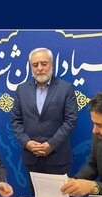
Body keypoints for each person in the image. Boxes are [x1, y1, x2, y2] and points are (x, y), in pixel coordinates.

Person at [11, 47, 78, 181]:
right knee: (35, 195)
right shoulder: (21, 89)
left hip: (58, 158)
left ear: (51, 64)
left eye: (44, 63)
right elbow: (16, 121)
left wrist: (51, 145)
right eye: (35, 65)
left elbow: (70, 121)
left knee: (60, 195)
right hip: (32, 159)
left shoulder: (66, 88)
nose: (39, 68)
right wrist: (27, 143)